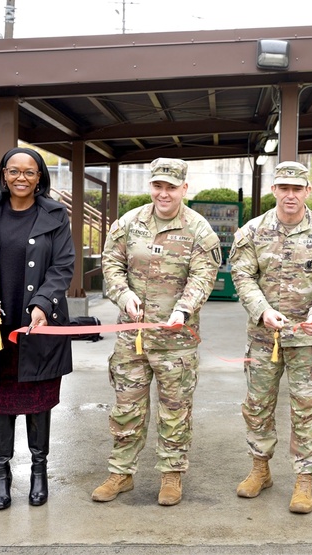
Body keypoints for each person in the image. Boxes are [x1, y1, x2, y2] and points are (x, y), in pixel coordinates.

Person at [93, 157, 220, 506]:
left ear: (184, 188)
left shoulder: (198, 230)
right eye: (158, 186)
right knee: (126, 407)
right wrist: (124, 293)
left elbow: (203, 276)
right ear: (151, 186)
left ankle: (171, 475)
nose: (163, 193)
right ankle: (121, 473)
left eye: (171, 187)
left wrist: (184, 308)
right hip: (131, 338)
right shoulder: (129, 223)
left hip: (176, 341)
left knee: (175, 410)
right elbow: (111, 263)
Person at [0, 146, 75, 510]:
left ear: (40, 176)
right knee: (1, 400)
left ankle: (39, 473)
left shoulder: (56, 215)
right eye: (14, 171)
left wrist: (43, 302)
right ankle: (2, 476)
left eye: (29, 172)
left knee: (39, 398)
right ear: (3, 175)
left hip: (39, 325)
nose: (21, 178)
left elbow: (62, 266)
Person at [229, 160, 312, 514]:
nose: (290, 195)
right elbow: (243, 276)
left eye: (297, 189)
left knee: (306, 410)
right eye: (284, 188)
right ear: (274, 190)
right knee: (257, 406)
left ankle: (304, 479)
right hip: (264, 337)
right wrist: (262, 310)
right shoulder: (253, 231)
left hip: (307, 341)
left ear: (307, 191)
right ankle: (260, 469)